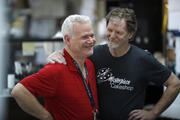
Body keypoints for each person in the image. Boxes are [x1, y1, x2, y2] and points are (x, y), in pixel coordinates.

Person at [47, 8, 180, 120]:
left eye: (119, 32)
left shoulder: (143, 59)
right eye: (110, 30)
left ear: (131, 34)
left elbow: (175, 84)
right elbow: (73, 56)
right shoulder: (95, 53)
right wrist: (59, 54)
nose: (112, 35)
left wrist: (153, 113)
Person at [11, 14, 99, 120]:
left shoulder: (89, 64)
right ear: (67, 40)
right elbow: (19, 91)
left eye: (92, 35)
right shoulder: (56, 69)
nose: (91, 40)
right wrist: (46, 116)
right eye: (85, 37)